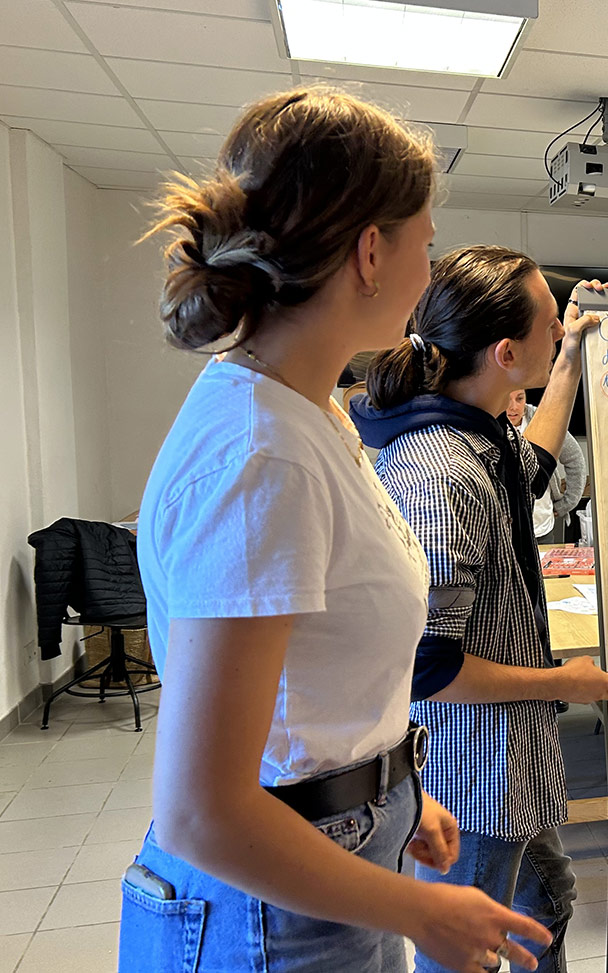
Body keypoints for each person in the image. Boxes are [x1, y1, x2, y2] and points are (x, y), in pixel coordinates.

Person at [125, 88, 551, 973]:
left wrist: (393, 789)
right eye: (425, 241)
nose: (430, 270)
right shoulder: (261, 453)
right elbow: (203, 811)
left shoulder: (310, 413)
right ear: (370, 252)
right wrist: (421, 909)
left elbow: (316, 681)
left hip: (326, 861)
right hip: (272, 915)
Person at [352, 246, 608, 973]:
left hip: (509, 761)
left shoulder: (477, 429)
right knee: (466, 956)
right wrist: (563, 681)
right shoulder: (440, 475)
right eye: (550, 323)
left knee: (548, 902)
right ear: (505, 354)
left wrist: (569, 355)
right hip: (473, 774)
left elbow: (530, 469)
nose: (558, 328)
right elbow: (430, 669)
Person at [506, 389, 587, 541]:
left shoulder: (543, 420)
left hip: (541, 528)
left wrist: (567, 503)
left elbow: (575, 458)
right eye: (507, 399)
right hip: (503, 534)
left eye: (520, 399)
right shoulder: (487, 423)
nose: (514, 407)